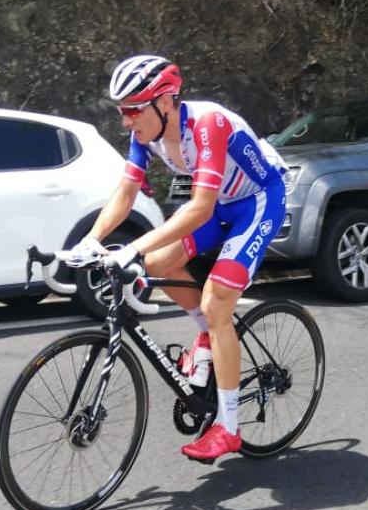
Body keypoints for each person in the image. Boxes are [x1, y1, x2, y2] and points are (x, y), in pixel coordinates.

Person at [69, 54, 287, 461]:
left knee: (217, 300)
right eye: (122, 110)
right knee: (156, 265)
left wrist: (132, 247)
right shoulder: (144, 134)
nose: (126, 120)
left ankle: (228, 427)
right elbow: (126, 193)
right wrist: (92, 240)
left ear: (165, 101)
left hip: (257, 201)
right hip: (221, 203)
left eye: (134, 109)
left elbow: (200, 208)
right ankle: (208, 333)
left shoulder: (208, 124)